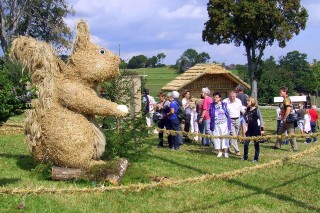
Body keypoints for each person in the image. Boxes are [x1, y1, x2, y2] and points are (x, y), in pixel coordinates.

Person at [273, 86, 298, 151]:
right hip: (285, 119)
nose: (279, 93)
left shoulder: (286, 99)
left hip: (288, 119)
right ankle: (277, 146)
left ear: (285, 92)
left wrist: (285, 118)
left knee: (291, 134)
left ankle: (295, 148)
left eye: (281, 91)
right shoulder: (284, 99)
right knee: (280, 133)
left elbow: (288, 108)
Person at [242, 96, 264, 162]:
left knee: (256, 144)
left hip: (256, 130)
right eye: (247, 101)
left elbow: (261, 119)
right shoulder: (248, 109)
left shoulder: (256, 109)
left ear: (252, 102)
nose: (247, 102)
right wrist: (246, 121)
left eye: (248, 101)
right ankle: (245, 157)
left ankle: (255, 158)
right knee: (246, 144)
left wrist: (262, 129)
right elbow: (244, 116)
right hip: (249, 130)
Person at [209, 92, 231, 158]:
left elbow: (228, 112)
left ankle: (226, 151)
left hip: (224, 123)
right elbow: (210, 113)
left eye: (216, 97)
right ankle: (219, 151)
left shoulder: (224, 104)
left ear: (220, 98)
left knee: (225, 137)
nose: (215, 98)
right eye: (214, 97)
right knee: (217, 137)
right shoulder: (211, 105)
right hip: (216, 123)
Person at [223, 90, 243, 156]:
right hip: (229, 119)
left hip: (237, 119)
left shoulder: (238, 101)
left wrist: (244, 112)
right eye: (231, 96)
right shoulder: (225, 101)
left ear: (235, 96)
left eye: (233, 96)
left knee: (236, 135)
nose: (232, 98)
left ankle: (228, 147)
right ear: (229, 96)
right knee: (233, 135)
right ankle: (237, 151)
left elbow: (241, 108)